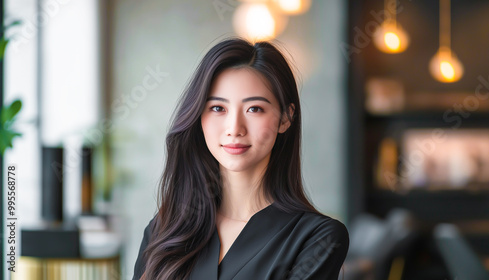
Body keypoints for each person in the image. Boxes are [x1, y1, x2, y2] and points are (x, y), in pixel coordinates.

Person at [132, 38, 349, 280]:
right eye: (217, 108)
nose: (234, 128)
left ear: (286, 118)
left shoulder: (317, 238)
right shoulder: (167, 229)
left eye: (254, 109)